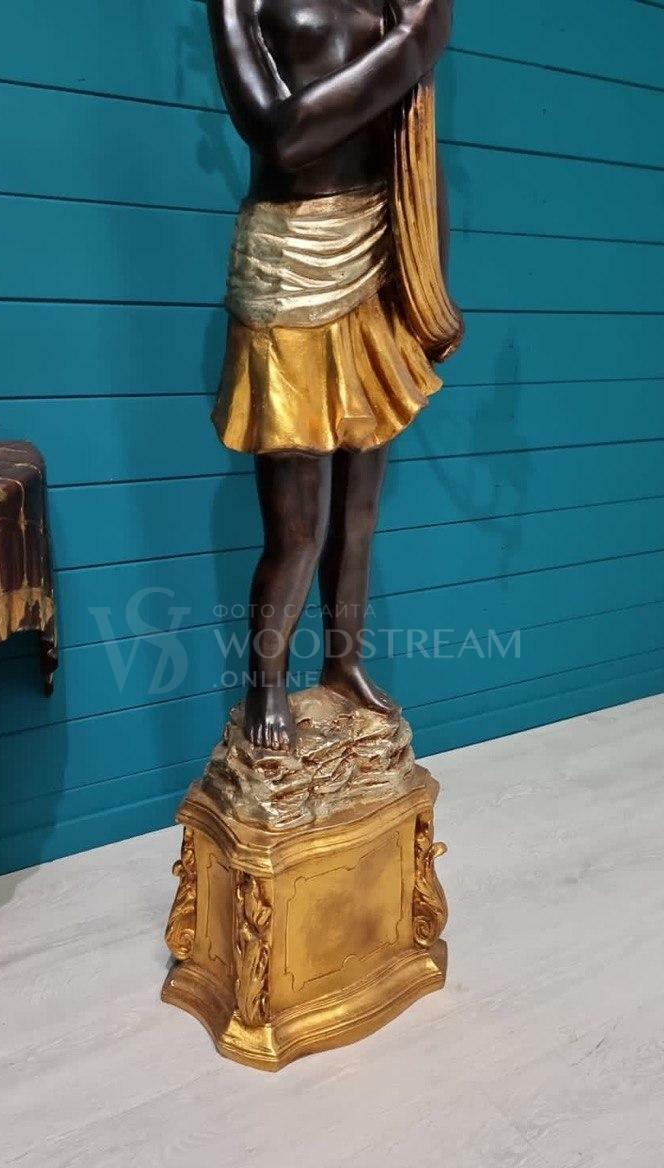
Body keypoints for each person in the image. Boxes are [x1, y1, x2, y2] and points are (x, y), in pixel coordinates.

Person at [208, 0, 462, 749]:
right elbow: (283, 137)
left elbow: (415, 153)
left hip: (377, 248)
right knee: (297, 529)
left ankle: (344, 664)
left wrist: (433, 286)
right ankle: (266, 684)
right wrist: (413, 41)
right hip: (291, 262)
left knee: (359, 511)